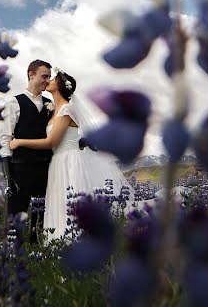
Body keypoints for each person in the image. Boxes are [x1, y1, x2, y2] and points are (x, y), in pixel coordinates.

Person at [8, 69, 134, 241]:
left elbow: (51, 142)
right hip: (58, 162)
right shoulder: (54, 110)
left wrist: (19, 142)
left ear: (59, 85)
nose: (48, 81)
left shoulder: (66, 109)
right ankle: (57, 246)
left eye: (52, 79)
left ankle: (76, 245)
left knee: (71, 205)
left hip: (69, 161)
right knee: (58, 205)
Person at [0, 59, 53, 238]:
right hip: (21, 167)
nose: (47, 80)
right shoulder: (14, 103)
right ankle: (13, 259)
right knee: (16, 216)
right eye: (44, 76)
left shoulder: (50, 104)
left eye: (49, 77)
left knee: (41, 217)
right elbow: (5, 139)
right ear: (31, 75)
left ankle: (36, 257)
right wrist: (8, 176)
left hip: (46, 168)